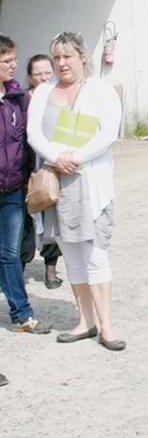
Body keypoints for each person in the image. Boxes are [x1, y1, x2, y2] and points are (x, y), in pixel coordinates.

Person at [27, 32, 125, 351]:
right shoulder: (43, 91)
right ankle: (85, 321)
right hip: (57, 184)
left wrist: (76, 158)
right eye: (56, 57)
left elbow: (109, 132)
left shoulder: (100, 89)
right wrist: (57, 158)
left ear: (82, 56)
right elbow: (33, 134)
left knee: (96, 255)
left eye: (67, 56)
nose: (61, 63)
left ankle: (107, 327)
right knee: (72, 256)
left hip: (90, 182)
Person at [0, 34, 52, 334]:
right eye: (7, 61)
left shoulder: (19, 99)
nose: (13, 65)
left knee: (10, 254)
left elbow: (32, 140)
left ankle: (22, 313)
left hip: (13, 190)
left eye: (14, 60)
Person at [20, 54, 64, 288]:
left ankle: (50, 271)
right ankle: (18, 271)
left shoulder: (59, 99)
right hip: (23, 170)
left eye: (48, 72)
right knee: (24, 223)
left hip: (50, 168)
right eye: (38, 74)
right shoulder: (21, 101)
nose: (45, 77)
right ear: (30, 77)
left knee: (51, 218)